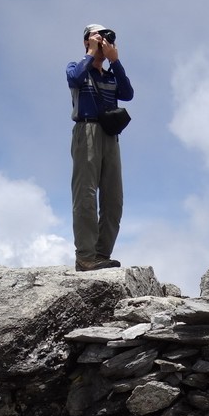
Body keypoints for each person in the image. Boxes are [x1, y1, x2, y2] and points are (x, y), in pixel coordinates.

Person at [66, 23, 134, 271]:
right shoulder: (76, 67)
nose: (104, 42)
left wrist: (115, 62)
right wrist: (91, 54)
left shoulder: (110, 75)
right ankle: (85, 255)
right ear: (86, 41)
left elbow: (127, 93)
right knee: (85, 194)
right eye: (98, 37)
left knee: (113, 198)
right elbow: (75, 78)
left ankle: (100, 254)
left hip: (110, 135)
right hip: (87, 130)